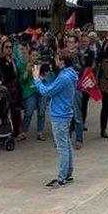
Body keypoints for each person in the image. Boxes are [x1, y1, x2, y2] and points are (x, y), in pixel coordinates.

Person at [34, 49, 79, 188]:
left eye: (57, 58)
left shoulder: (64, 77)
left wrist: (36, 80)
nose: (55, 60)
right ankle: (68, 174)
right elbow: (54, 88)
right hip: (65, 112)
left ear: (62, 61)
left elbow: (46, 92)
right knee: (66, 144)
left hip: (59, 114)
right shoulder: (70, 74)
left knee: (62, 147)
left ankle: (61, 177)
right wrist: (45, 80)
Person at [20, 51, 46, 141]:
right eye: (33, 55)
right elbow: (22, 81)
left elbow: (46, 76)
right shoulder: (25, 65)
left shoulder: (41, 65)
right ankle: (24, 132)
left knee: (41, 112)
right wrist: (27, 71)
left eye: (37, 55)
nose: (35, 57)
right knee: (28, 112)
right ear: (30, 56)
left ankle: (40, 132)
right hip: (30, 91)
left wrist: (42, 73)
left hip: (40, 90)